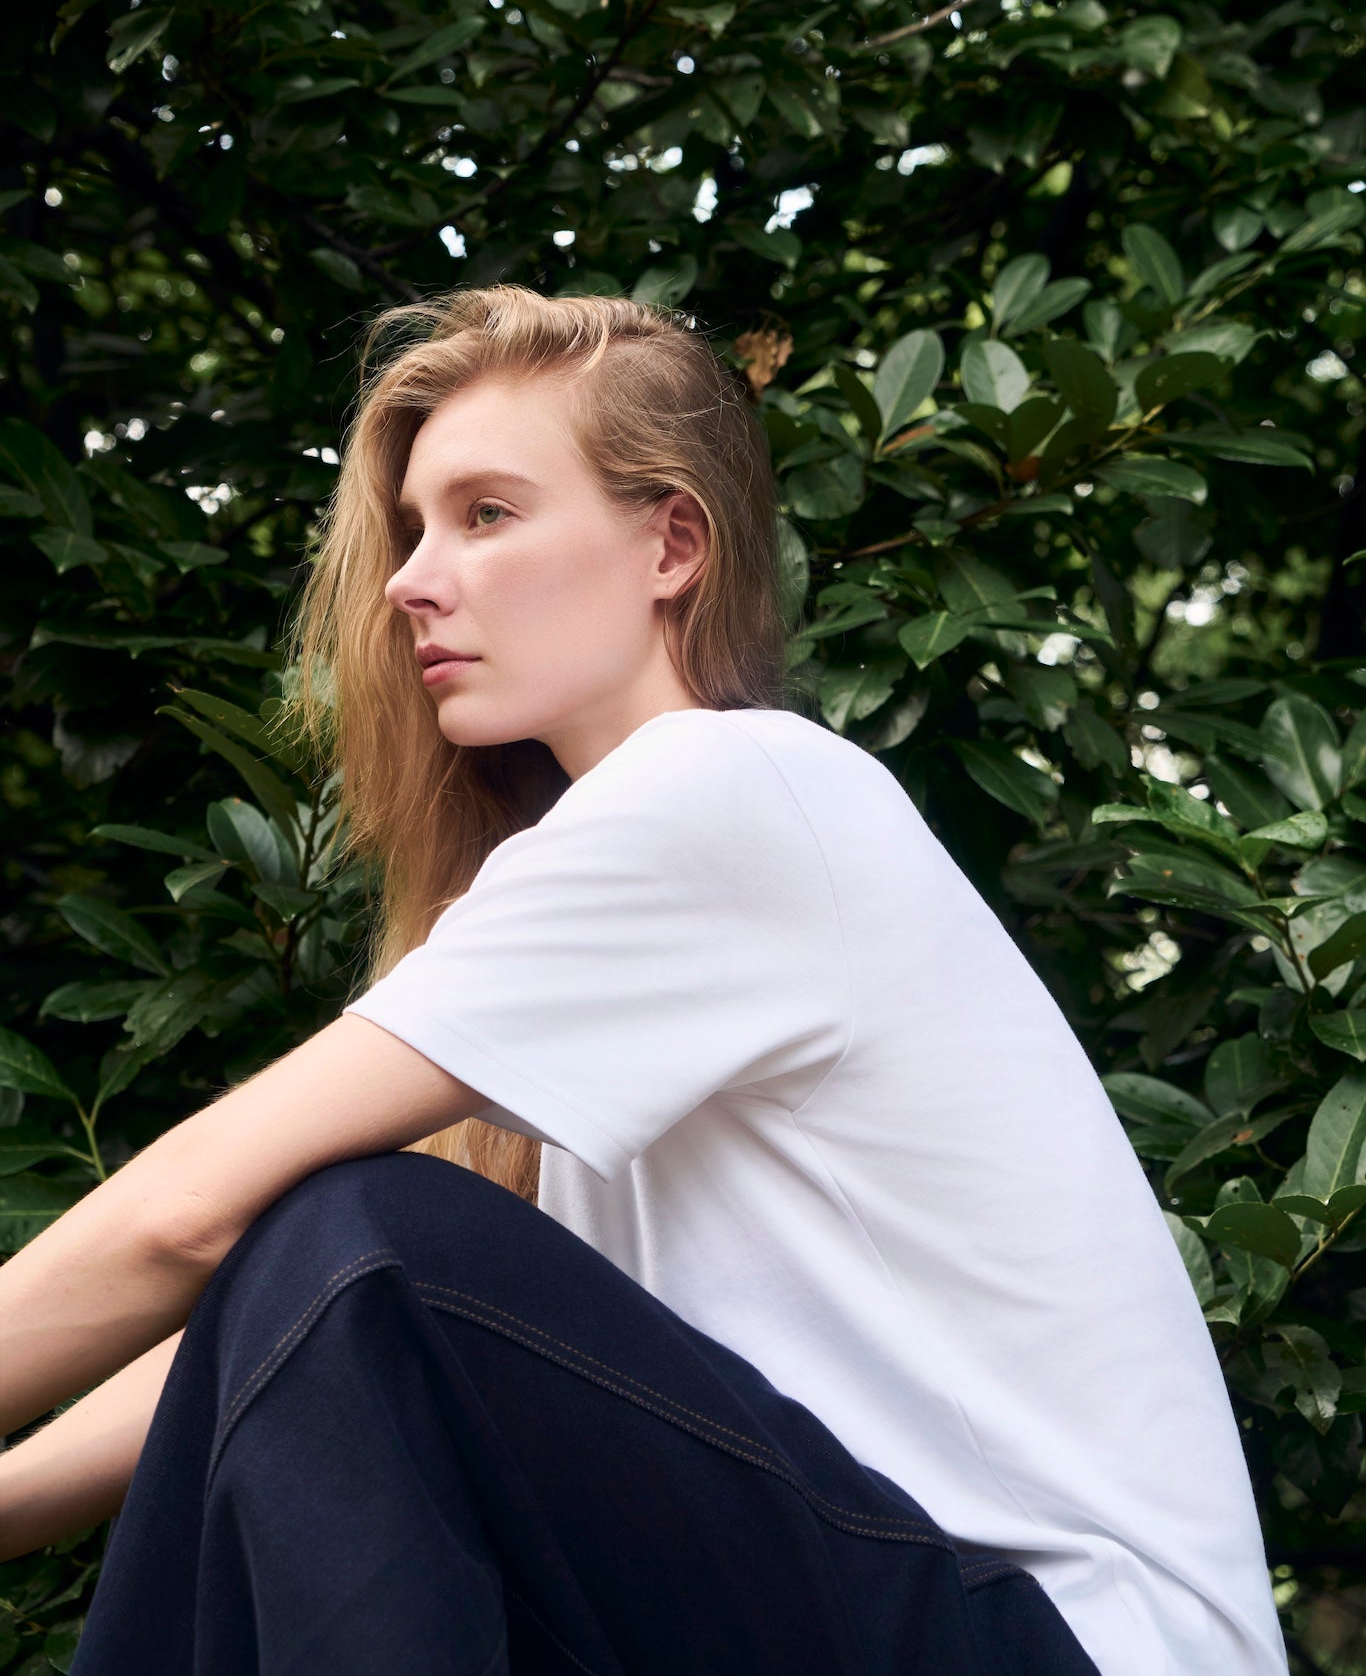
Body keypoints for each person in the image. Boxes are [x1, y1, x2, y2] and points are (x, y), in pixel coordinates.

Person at [0, 287, 1286, 1676]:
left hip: (1069, 1641)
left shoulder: (733, 788)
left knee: (359, 1228)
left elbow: (195, 1221)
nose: (411, 579)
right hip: (846, 1608)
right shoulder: (611, 919)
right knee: (344, 1248)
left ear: (672, 543)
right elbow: (263, 1324)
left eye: (488, 514)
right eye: (415, 528)